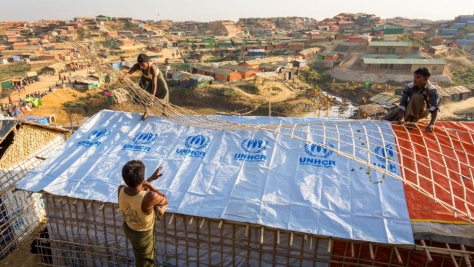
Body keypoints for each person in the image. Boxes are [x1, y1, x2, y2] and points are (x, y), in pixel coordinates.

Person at [118, 161, 168, 267]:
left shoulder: (121, 189)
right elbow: (164, 200)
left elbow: (135, 190)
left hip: (129, 227)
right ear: (142, 177)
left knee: (139, 253)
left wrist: (149, 179)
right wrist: (149, 184)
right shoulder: (149, 197)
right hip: (142, 235)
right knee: (146, 261)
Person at [125, 54, 169, 119]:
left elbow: (154, 84)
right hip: (145, 78)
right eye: (140, 65)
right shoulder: (137, 66)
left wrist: (152, 98)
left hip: (157, 77)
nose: (141, 67)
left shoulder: (153, 67)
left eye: (143, 65)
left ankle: (164, 110)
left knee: (164, 90)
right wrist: (124, 77)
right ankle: (147, 111)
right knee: (143, 92)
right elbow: (129, 73)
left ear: (147, 62)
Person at [397, 67, 439, 132]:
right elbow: (402, 104)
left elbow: (434, 107)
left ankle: (415, 119)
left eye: (418, 77)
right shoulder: (409, 87)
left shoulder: (432, 90)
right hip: (408, 110)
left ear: (426, 79)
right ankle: (406, 118)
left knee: (417, 96)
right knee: (388, 118)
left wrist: (431, 124)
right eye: (415, 76)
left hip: (422, 112)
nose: (415, 79)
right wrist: (401, 118)